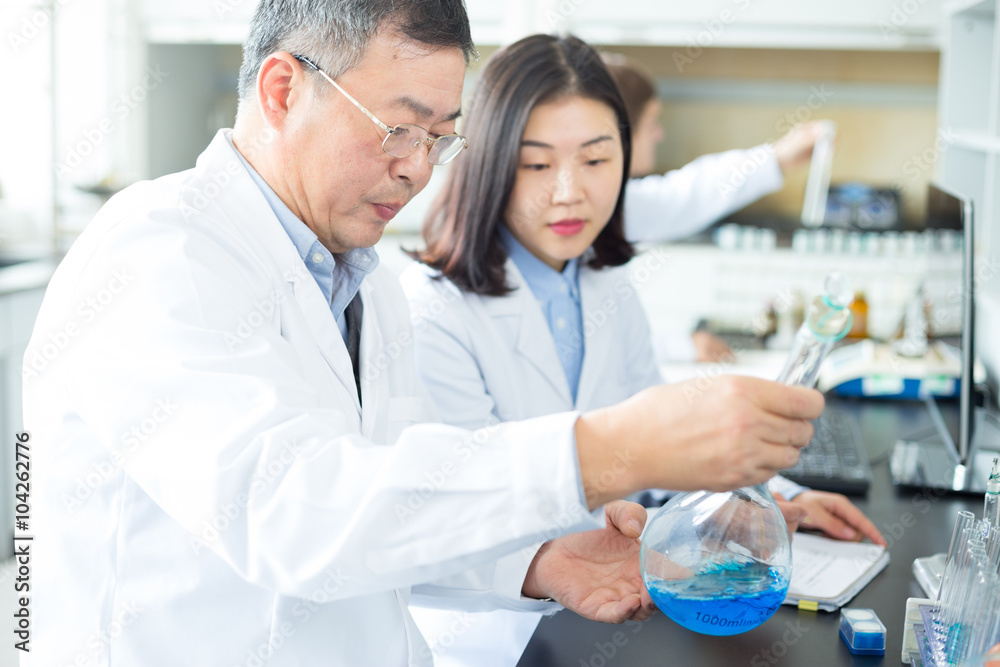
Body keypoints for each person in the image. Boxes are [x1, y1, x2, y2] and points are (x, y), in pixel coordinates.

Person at [22, 3, 825, 664]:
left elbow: (394, 504)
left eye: (441, 138)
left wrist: (538, 560)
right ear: (280, 90)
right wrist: (603, 450)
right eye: (398, 128)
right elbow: (293, 514)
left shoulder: (362, 276)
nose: (418, 169)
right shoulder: (158, 251)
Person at [401, 34, 885, 667]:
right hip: (499, 636)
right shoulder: (432, 312)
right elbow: (466, 512)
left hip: (610, 611)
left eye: (597, 161)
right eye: (537, 164)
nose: (570, 192)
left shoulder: (603, 283)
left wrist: (772, 502)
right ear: (490, 163)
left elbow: (655, 456)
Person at [603, 52, 828, 362]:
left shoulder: (616, 202)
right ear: (622, 131)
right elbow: (593, 341)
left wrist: (777, 158)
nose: (659, 133)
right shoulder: (588, 213)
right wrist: (680, 347)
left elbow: (685, 195)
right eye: (652, 122)